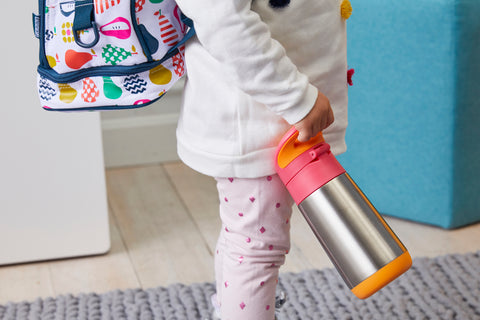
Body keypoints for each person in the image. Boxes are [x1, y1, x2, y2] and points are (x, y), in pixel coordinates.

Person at [174, 0, 349, 319]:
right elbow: (225, 22)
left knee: (247, 239)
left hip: (273, 117)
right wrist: (297, 99)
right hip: (257, 120)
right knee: (256, 247)